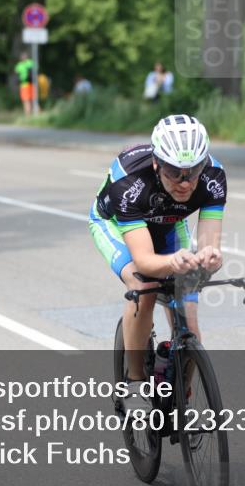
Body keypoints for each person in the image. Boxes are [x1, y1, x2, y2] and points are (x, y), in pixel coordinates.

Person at [89, 115, 225, 411]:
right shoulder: (129, 181)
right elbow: (146, 262)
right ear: (156, 163)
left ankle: (179, 397)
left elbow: (209, 244)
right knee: (144, 284)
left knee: (190, 322)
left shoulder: (213, 176)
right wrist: (173, 262)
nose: (186, 182)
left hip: (168, 223)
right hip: (116, 226)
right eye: (175, 172)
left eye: (194, 171)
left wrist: (209, 257)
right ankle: (135, 382)